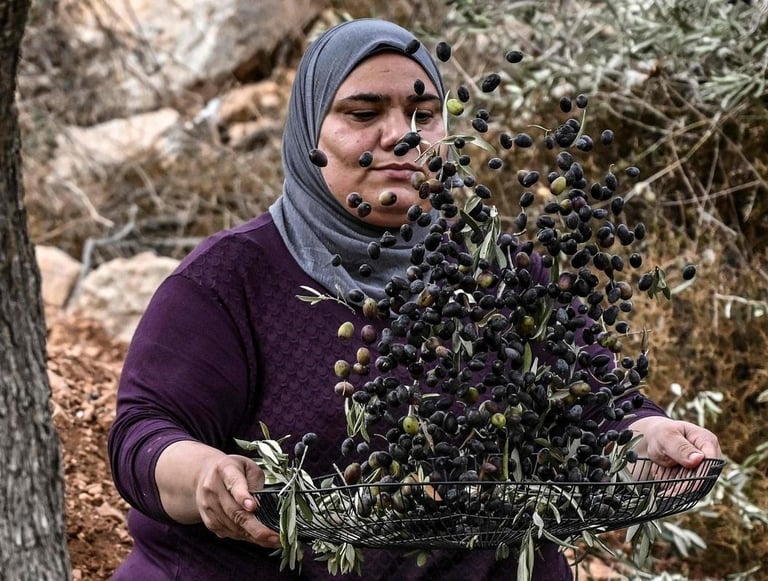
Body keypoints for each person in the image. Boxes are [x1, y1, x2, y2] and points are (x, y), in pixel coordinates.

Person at [108, 18, 721, 581]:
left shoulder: (503, 276)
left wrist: (654, 439)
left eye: (422, 114)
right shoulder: (230, 281)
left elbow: (599, 412)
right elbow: (145, 434)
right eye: (363, 111)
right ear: (306, 133)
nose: (401, 136)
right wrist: (207, 477)